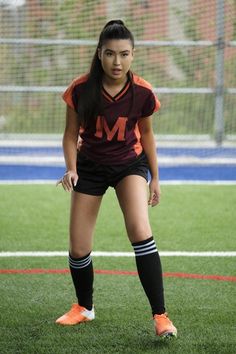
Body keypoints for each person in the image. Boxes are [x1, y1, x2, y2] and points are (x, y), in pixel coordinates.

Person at [56, 19, 177, 339]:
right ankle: (84, 307)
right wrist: (72, 168)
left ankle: (161, 316)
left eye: (124, 54)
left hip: (129, 166)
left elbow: (148, 136)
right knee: (79, 247)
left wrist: (155, 178)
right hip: (90, 167)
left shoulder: (143, 92)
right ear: (99, 54)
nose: (117, 61)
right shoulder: (81, 89)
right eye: (110, 54)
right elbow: (69, 136)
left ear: (133, 55)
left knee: (140, 229)